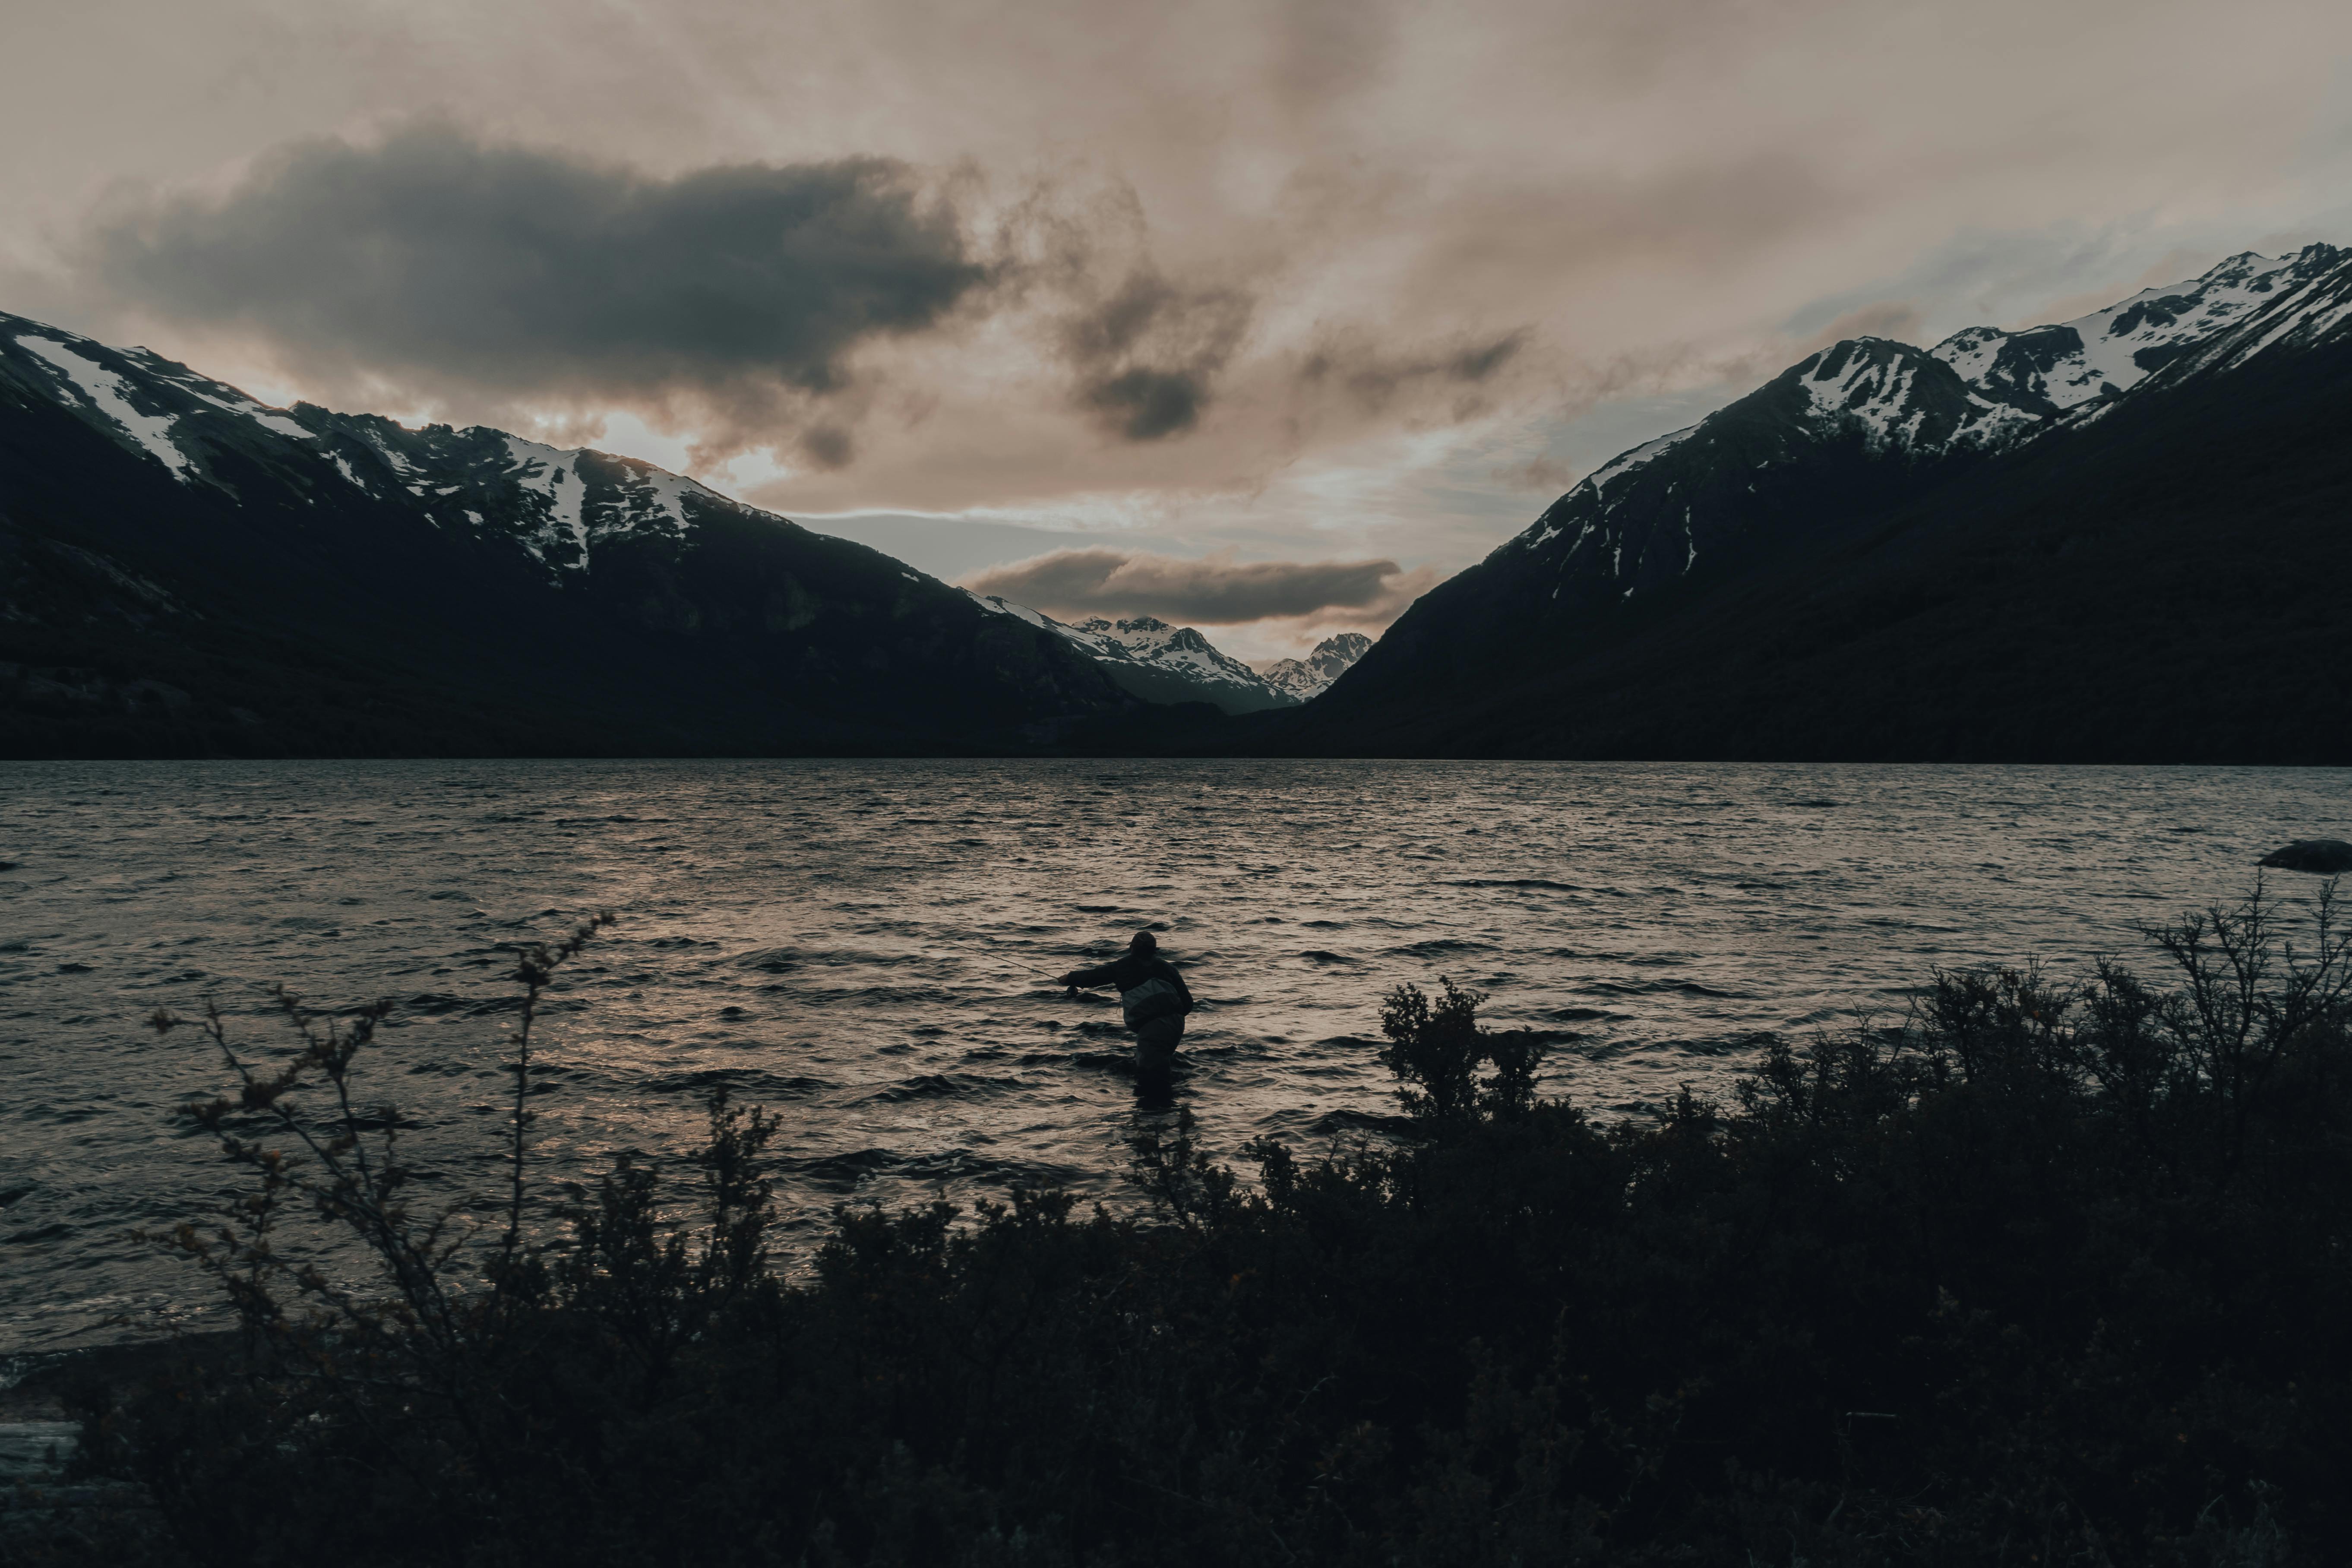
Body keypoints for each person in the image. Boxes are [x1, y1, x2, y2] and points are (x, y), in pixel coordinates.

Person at [1059, 930, 1194, 1095]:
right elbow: (1188, 1003)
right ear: (1154, 950)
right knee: (1160, 1066)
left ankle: (1156, 1106)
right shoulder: (1168, 968)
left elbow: (1096, 976)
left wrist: (1070, 978)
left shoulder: (1125, 966)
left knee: (1149, 1076)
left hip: (1152, 1027)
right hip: (1176, 1025)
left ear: (1132, 949)